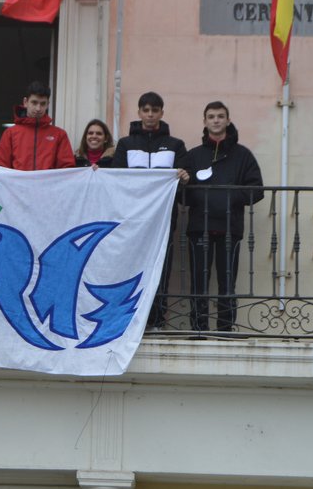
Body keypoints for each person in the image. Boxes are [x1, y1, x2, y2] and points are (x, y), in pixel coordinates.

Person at [182, 100, 264, 333]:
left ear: (227, 120)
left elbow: (256, 190)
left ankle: (224, 329)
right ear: (205, 121)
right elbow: (180, 194)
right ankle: (199, 329)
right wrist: (186, 184)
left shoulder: (243, 155)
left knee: (227, 282)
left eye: (220, 116)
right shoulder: (193, 156)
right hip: (200, 227)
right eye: (211, 116)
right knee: (199, 281)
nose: (216, 120)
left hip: (230, 227)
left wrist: (228, 199)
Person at [111, 92, 190, 329]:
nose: (150, 115)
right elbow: (116, 179)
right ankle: (129, 320)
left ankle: (156, 320)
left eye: (155, 110)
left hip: (163, 220)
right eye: (146, 110)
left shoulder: (176, 145)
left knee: (161, 270)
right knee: (131, 267)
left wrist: (185, 177)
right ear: (139, 112)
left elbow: (186, 179)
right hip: (132, 221)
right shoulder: (126, 144)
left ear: (161, 113)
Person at [0, 81, 74, 171]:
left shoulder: (59, 135)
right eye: (34, 103)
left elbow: (67, 171)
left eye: (43, 104)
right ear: (25, 102)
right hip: (17, 185)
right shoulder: (10, 134)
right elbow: (0, 168)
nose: (38, 108)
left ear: (48, 105)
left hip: (49, 185)